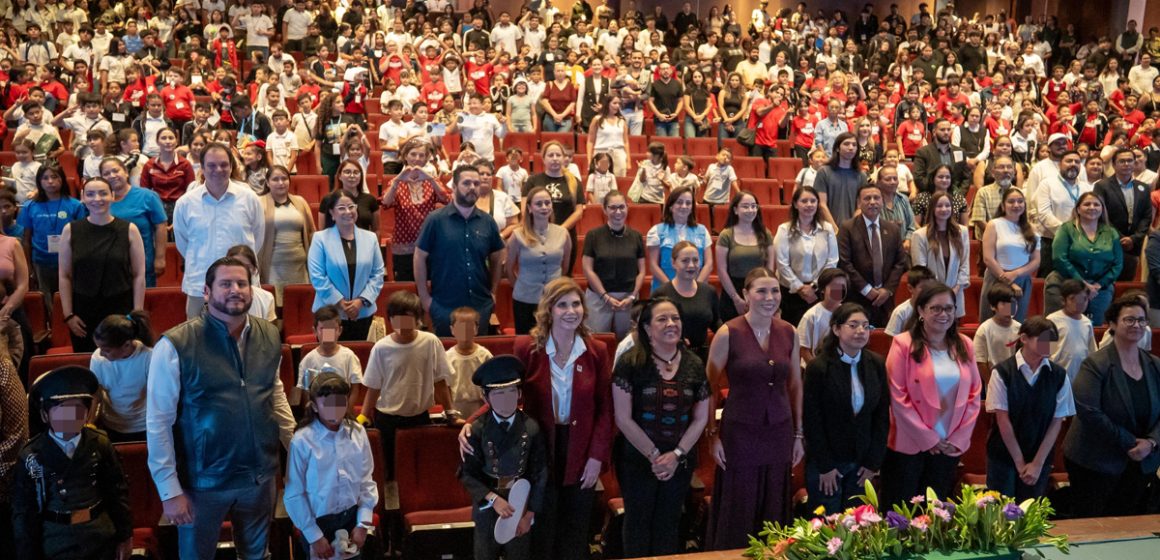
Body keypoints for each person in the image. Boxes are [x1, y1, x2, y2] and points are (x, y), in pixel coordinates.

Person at [146, 256, 295, 559]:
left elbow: (275, 393)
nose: (235, 290)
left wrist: (296, 447)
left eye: (242, 283)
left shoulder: (269, 334)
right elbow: (158, 422)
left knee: (257, 555)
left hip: (259, 475)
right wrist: (169, 489)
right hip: (203, 482)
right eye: (225, 284)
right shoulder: (176, 344)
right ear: (206, 291)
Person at [461, 277, 612, 560]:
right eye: (562, 304)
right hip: (539, 448)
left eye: (576, 304)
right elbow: (505, 392)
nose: (571, 311)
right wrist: (473, 420)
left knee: (576, 528)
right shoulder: (527, 348)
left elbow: (605, 408)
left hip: (582, 449)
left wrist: (597, 457)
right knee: (542, 527)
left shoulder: (597, 351)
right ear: (549, 310)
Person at [705, 268, 803, 549]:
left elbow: (795, 384)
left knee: (774, 506)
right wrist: (712, 436)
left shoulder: (789, 332)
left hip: (779, 432)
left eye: (774, 290)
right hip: (739, 433)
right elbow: (708, 387)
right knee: (740, 505)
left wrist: (798, 435)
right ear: (746, 295)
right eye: (761, 291)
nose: (769, 297)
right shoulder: (728, 332)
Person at [612, 297, 710, 557]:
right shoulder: (630, 363)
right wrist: (655, 456)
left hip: (680, 459)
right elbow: (622, 418)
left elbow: (701, 417)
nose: (671, 324)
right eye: (662, 319)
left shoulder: (694, 364)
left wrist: (676, 455)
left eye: (675, 318)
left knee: (669, 522)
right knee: (637, 522)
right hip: (638, 458)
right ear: (646, 327)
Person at [12, 366, 132, 560]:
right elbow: (24, 513)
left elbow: (117, 491)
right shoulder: (31, 456)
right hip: (57, 539)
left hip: (100, 534)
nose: (70, 417)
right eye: (62, 410)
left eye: (78, 409)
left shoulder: (100, 443)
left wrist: (125, 535)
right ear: (44, 414)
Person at [881, 284, 983, 507]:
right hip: (909, 445)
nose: (943, 314)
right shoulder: (902, 344)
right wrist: (929, 438)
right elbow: (898, 397)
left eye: (948, 308)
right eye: (935, 308)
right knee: (901, 515)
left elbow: (974, 395)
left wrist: (957, 438)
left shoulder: (965, 344)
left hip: (949, 445)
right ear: (920, 311)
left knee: (935, 515)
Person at [1063, 296, 1160, 517]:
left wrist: (1152, 443)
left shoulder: (1155, 365)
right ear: (1113, 324)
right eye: (1129, 320)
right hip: (1095, 461)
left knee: (1126, 524)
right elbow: (1089, 412)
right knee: (1090, 525)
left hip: (1141, 462)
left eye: (1142, 320)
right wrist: (1131, 442)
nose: (1137, 325)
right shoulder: (1096, 364)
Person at [458, 355, 548, 560]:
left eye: (511, 392)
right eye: (498, 394)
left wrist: (529, 514)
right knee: (485, 554)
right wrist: (493, 500)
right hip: (488, 503)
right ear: (485, 398)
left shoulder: (531, 428)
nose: (506, 400)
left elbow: (540, 473)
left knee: (519, 554)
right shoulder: (477, 430)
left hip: (520, 503)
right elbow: (467, 473)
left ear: (519, 393)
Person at [802, 303, 890, 513]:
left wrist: (872, 463)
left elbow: (881, 416)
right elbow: (812, 420)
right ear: (836, 329)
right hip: (827, 463)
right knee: (826, 528)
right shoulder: (819, 367)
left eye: (866, 326)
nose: (861, 331)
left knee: (857, 525)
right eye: (853, 325)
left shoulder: (876, 363)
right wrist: (825, 466)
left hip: (862, 463)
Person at [359, 291, 455, 479]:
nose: (402, 324)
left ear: (418, 319)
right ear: (390, 319)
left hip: (419, 417)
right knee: (390, 470)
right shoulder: (381, 348)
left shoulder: (430, 342)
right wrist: (363, 415)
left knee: (419, 466)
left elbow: (441, 381)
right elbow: (373, 386)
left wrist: (450, 411)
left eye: (408, 318)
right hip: (387, 418)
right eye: (397, 318)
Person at [284, 372, 378, 560]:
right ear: (315, 407)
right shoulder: (302, 441)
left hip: (351, 518)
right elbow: (294, 493)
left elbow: (366, 480)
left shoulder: (357, 433)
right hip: (318, 522)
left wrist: (362, 523)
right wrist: (314, 536)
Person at [985, 316, 1075, 500]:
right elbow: (1003, 420)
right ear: (1024, 338)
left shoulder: (1058, 375)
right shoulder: (1002, 372)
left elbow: (1057, 422)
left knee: (1030, 515)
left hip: (1040, 457)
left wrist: (1037, 463)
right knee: (1000, 514)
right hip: (1004, 456)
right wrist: (1020, 464)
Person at [173, 143, 265, 320]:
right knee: (200, 342)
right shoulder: (186, 203)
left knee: (244, 342)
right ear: (202, 168)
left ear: (231, 166)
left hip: (241, 286)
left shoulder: (249, 198)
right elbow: (183, 244)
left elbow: (257, 239)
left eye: (224, 164)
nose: (218, 169)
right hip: (200, 285)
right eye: (212, 165)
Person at [59, 178, 146, 353]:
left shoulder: (129, 229)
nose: (97, 199)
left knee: (122, 361)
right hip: (83, 311)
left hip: (120, 309)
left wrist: (136, 314)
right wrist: (68, 315)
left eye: (103, 193)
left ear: (112, 196)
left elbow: (139, 275)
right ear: (82, 197)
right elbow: (64, 276)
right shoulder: (70, 229)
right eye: (90, 194)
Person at [417, 165, 506, 337]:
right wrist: (424, 297)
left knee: (476, 358)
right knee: (446, 359)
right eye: (466, 183)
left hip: (480, 305)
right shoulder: (435, 220)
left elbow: (497, 258)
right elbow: (419, 257)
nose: (472, 187)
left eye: (476, 183)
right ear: (454, 187)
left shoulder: (487, 221)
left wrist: (493, 292)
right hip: (444, 306)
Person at [308, 189, 386, 342]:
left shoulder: (370, 238)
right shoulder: (320, 239)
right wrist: (341, 303)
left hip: (362, 313)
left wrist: (360, 301)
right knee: (330, 357)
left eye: (351, 207)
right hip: (329, 314)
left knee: (360, 357)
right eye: (341, 208)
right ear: (332, 212)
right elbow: (317, 276)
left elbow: (377, 273)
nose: (348, 212)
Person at [838, 183, 909, 328]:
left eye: (876, 198)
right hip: (857, 297)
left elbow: (901, 262)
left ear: (882, 201)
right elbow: (845, 263)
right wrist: (866, 289)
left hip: (885, 299)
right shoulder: (847, 228)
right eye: (867, 198)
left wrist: (887, 290)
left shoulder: (893, 229)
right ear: (859, 202)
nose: (872, 202)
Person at [19, 166, 85, 320]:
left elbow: (82, 237)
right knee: (48, 300)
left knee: (70, 297)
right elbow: (26, 239)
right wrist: (28, 266)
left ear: (62, 179)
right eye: (45, 178)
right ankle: (54, 325)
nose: (50, 182)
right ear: (39, 182)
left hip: (70, 261)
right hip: (41, 262)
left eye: (55, 177)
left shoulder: (75, 205)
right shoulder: (30, 206)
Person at [1045, 192, 1122, 323]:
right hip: (1064, 284)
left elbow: (1118, 264)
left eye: (1096, 204)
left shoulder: (1111, 232)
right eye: (1087, 204)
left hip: (1099, 289)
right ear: (1078, 209)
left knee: (1091, 329)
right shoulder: (1066, 229)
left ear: (1102, 209)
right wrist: (1082, 283)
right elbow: (1059, 258)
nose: (1092, 207)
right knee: (1051, 328)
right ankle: (1045, 345)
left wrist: (1099, 285)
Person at [382, 139, 451, 282]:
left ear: (426, 159)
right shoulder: (396, 182)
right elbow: (386, 203)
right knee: (407, 287)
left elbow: (446, 199)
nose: (417, 159)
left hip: (429, 242)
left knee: (431, 284)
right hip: (404, 244)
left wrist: (430, 179)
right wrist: (398, 180)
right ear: (405, 156)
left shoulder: (432, 180)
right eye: (413, 154)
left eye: (421, 155)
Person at [507, 187, 571, 334]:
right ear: (529, 208)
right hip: (525, 300)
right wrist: (522, 287)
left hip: (554, 299)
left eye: (547, 203)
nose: (544, 207)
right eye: (539, 204)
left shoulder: (563, 233)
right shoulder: (517, 235)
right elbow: (509, 269)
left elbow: (565, 267)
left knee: (554, 339)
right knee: (527, 344)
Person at [582, 191, 645, 340]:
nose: (618, 212)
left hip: (627, 299)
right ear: (604, 210)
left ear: (627, 208)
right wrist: (605, 296)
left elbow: (642, 271)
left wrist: (632, 295)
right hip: (599, 297)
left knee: (627, 343)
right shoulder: (593, 235)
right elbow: (587, 269)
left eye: (622, 207)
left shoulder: (636, 236)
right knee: (596, 341)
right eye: (613, 207)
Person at [775, 186, 839, 326]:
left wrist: (814, 286)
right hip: (791, 293)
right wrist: (800, 288)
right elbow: (782, 263)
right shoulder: (784, 230)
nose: (809, 205)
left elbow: (832, 261)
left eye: (813, 201)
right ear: (795, 204)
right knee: (792, 333)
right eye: (804, 201)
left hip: (819, 291)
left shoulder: (827, 229)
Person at [100, 156, 168, 289]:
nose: (112, 176)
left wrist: (160, 258)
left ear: (125, 172)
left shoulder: (147, 196)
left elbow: (161, 226)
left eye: (115, 171)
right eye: (106, 173)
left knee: (141, 307)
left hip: (142, 264)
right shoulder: (99, 201)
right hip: (110, 267)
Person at [90, 311, 154, 443]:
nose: (101, 354)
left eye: (106, 350)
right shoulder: (97, 358)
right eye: (99, 348)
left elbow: (159, 396)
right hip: (112, 424)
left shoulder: (149, 357)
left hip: (143, 425)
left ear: (126, 345)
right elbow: (96, 394)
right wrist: (90, 423)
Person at [523, 142, 584, 275]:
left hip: (565, 235)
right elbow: (525, 209)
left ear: (564, 158)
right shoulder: (533, 181)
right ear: (543, 159)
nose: (555, 158)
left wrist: (559, 230)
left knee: (562, 278)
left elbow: (578, 211)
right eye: (551, 155)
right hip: (537, 236)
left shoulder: (574, 182)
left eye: (558, 155)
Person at [980, 187, 1040, 323]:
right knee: (992, 324)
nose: (1016, 205)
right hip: (997, 278)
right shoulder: (994, 224)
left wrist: (1016, 274)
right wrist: (1009, 280)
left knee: (1014, 326)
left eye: (1020, 201)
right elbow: (988, 258)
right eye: (1011, 202)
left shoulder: (1032, 229)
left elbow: (1036, 261)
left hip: (1022, 281)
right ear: (1003, 205)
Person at [258, 165, 315, 306]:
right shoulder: (259, 202)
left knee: (301, 305)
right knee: (277, 308)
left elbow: (311, 232)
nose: (280, 183)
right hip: (273, 267)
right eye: (275, 179)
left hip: (300, 267)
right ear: (267, 182)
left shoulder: (300, 202)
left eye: (284, 178)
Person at [654, 241, 720, 361]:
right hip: (671, 357)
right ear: (673, 263)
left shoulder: (708, 291)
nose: (691, 265)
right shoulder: (661, 293)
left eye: (695, 260)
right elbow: (653, 328)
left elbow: (716, 323)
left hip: (703, 357)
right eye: (685, 261)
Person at [716, 192, 775, 323]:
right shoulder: (726, 235)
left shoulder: (766, 234)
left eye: (754, 206)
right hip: (733, 292)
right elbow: (721, 270)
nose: (751, 210)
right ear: (736, 210)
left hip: (760, 290)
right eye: (746, 206)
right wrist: (737, 299)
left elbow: (770, 268)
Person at [1094, 148, 1152, 280]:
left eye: (1130, 161)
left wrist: (1134, 238)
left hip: (1133, 246)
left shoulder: (1143, 187)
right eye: (1122, 161)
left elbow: (1146, 216)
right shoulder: (1102, 186)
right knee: (1108, 284)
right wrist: (1119, 237)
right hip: (1109, 243)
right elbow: (1101, 215)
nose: (1126, 164)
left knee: (1127, 286)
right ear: (1114, 165)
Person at [910, 191, 971, 317]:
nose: (944, 209)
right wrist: (940, 293)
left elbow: (964, 265)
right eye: (939, 206)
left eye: (947, 205)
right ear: (932, 209)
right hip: (931, 295)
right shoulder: (920, 235)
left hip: (955, 294)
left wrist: (956, 289)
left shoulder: (962, 232)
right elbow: (921, 271)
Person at [295, 305, 364, 410]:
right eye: (323, 329)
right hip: (317, 412)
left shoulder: (349, 356)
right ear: (314, 331)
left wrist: (346, 412)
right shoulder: (308, 360)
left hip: (342, 410)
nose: (328, 334)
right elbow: (306, 392)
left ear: (339, 330)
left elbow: (355, 389)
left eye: (332, 329)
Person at [646, 187, 713, 291]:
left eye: (688, 203)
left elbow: (709, 264)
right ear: (671, 206)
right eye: (679, 202)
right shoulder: (656, 231)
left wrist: (695, 287)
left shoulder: (702, 231)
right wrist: (673, 288)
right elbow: (653, 266)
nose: (684, 206)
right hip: (665, 290)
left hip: (696, 290)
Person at [1048, 279, 1099, 381]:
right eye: (1073, 299)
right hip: (1055, 375)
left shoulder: (1087, 323)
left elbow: (1091, 351)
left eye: (1084, 299)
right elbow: (1044, 351)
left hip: (1079, 376)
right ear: (1063, 300)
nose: (1079, 303)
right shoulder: (1052, 320)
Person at [446, 307, 490, 419]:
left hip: (480, 410)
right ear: (452, 329)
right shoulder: (447, 357)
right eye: (460, 327)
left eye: (469, 327)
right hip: (456, 410)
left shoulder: (484, 355)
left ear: (476, 329)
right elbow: (444, 388)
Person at [797, 269, 849, 363]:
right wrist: (818, 370)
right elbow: (804, 350)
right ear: (823, 290)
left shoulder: (849, 313)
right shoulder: (811, 316)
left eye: (842, 287)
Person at [814, 132, 867, 224]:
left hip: (852, 229)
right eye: (846, 144)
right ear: (838, 148)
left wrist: (850, 228)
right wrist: (835, 229)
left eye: (854, 145)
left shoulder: (861, 175)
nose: (851, 148)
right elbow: (821, 204)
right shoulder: (824, 172)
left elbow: (860, 206)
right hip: (827, 228)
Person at [974, 283, 1022, 379]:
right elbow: (980, 361)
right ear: (993, 306)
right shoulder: (984, 329)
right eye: (1004, 304)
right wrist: (990, 382)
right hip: (994, 379)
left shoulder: (1020, 329)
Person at [319, 160, 380, 234]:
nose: (352, 176)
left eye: (356, 172)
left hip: (364, 243)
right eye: (347, 172)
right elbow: (322, 231)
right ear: (339, 176)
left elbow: (376, 230)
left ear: (361, 176)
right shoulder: (328, 199)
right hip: (334, 243)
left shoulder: (370, 199)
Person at [884, 266, 938, 337]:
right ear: (910, 288)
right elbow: (892, 339)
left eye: (931, 287)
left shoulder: (936, 309)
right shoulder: (901, 312)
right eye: (923, 287)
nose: (927, 291)